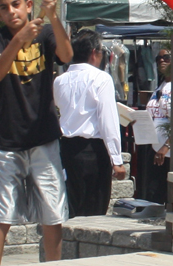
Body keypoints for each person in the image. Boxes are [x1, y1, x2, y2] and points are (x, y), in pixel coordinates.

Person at [0, 0, 73, 265]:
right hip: (9, 141)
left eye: (16, 4)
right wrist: (19, 39)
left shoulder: (44, 31)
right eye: (4, 8)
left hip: (43, 136)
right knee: (2, 215)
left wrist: (53, 15)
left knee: (52, 214)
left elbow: (67, 55)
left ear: (28, 5)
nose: (11, 12)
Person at [53, 29, 126, 218]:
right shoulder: (101, 78)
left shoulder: (59, 81)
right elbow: (108, 119)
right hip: (93, 150)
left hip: (67, 149)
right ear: (94, 53)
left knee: (71, 208)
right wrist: (116, 159)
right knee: (94, 210)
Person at [145, 48, 171, 205]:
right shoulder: (159, 87)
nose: (161, 60)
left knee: (164, 195)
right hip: (154, 149)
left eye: (166, 57)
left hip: (169, 153)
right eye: (158, 58)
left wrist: (166, 146)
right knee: (152, 195)